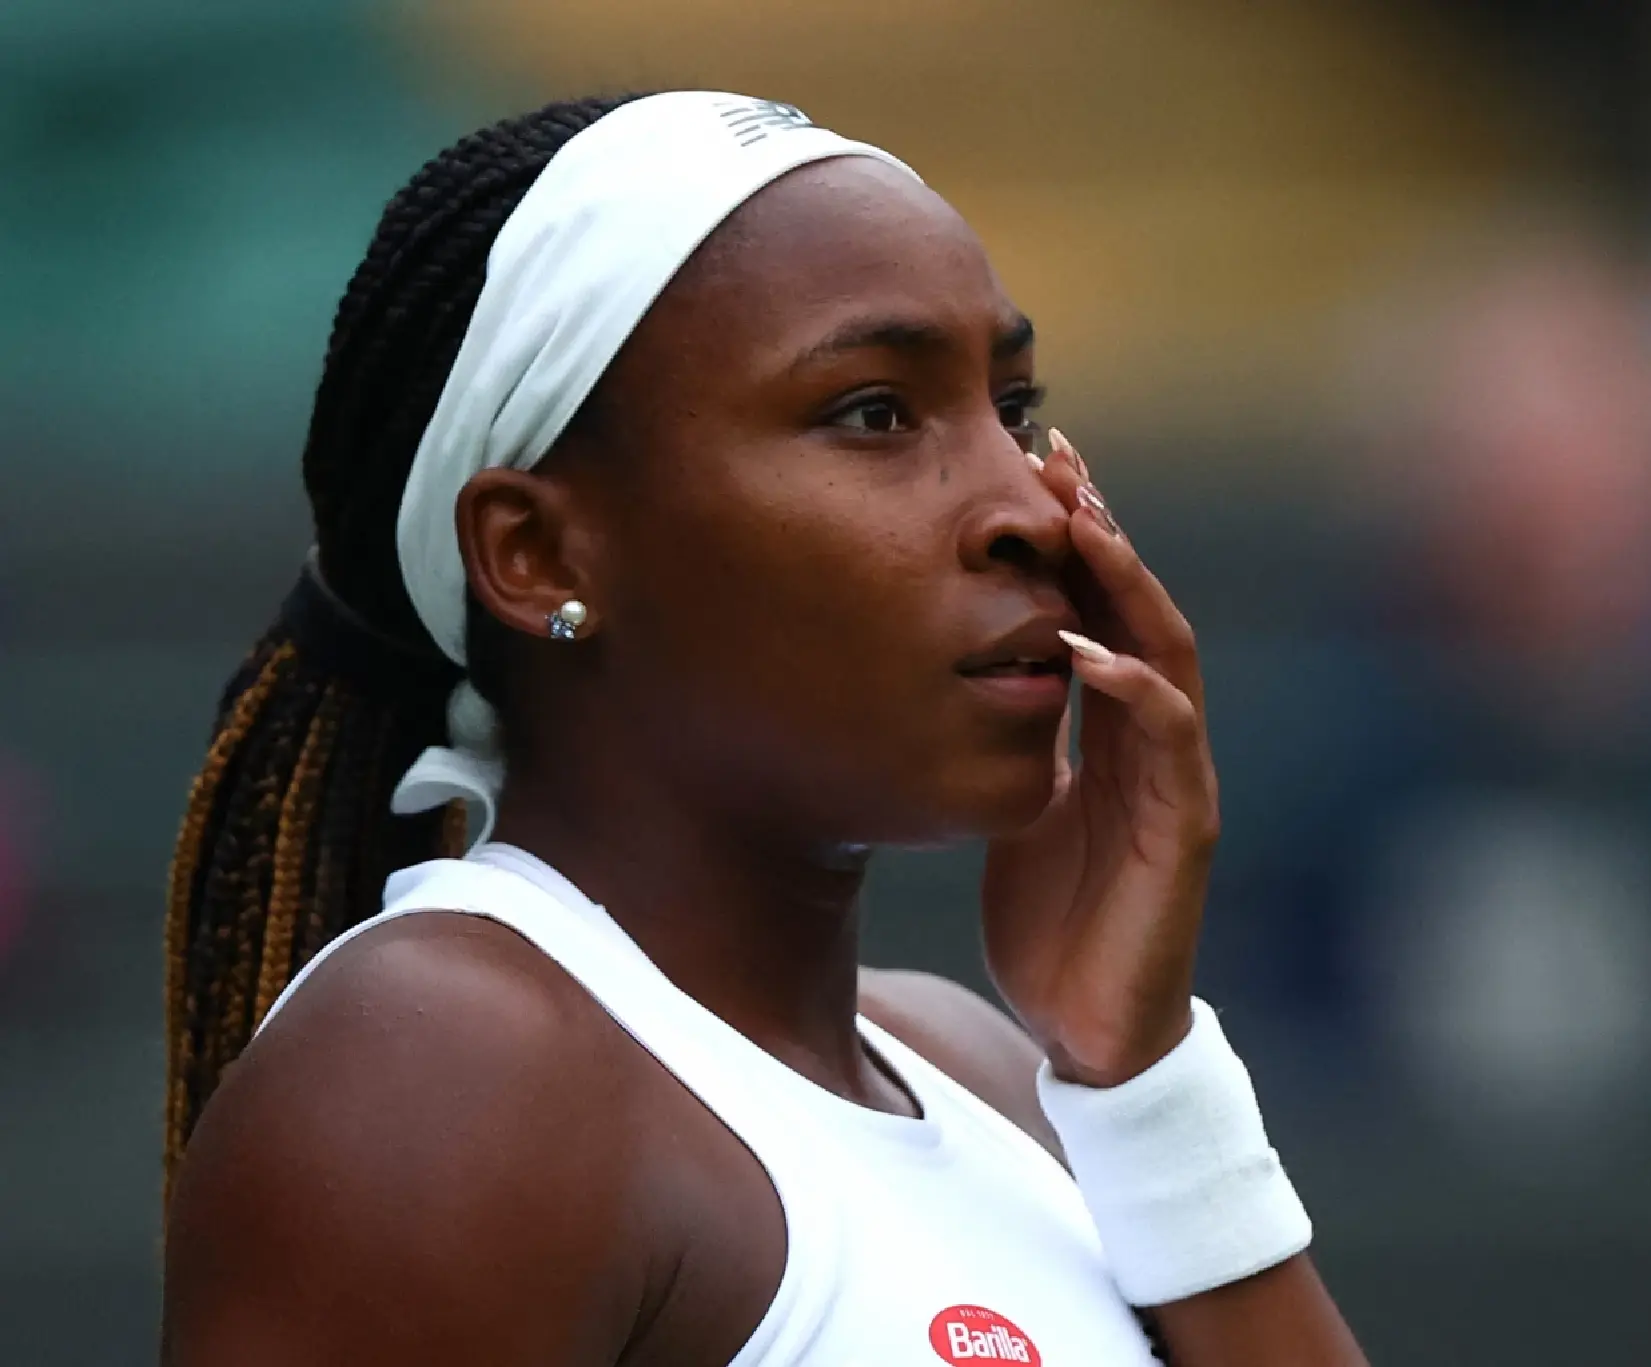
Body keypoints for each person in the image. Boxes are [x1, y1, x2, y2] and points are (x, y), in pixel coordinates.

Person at [159, 92, 1366, 1366]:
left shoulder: (992, 1071)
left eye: (1012, 407)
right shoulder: (450, 1071)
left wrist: (1143, 1075)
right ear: (538, 551)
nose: (1029, 505)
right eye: (874, 413)